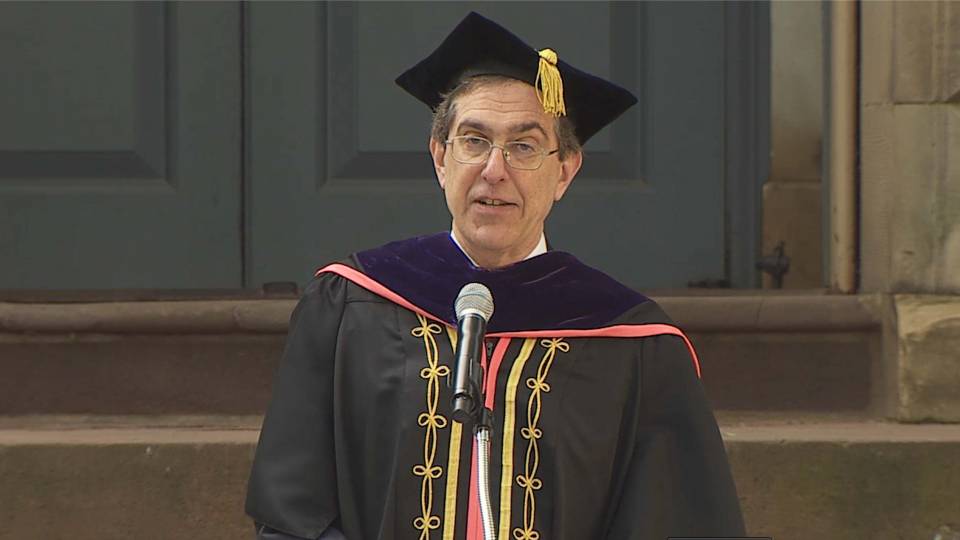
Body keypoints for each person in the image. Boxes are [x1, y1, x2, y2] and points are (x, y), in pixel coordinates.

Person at [246, 12, 744, 540]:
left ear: (566, 171)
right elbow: (294, 516)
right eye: (474, 140)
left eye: (524, 147)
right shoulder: (350, 304)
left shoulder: (632, 344)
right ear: (440, 158)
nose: (494, 170)